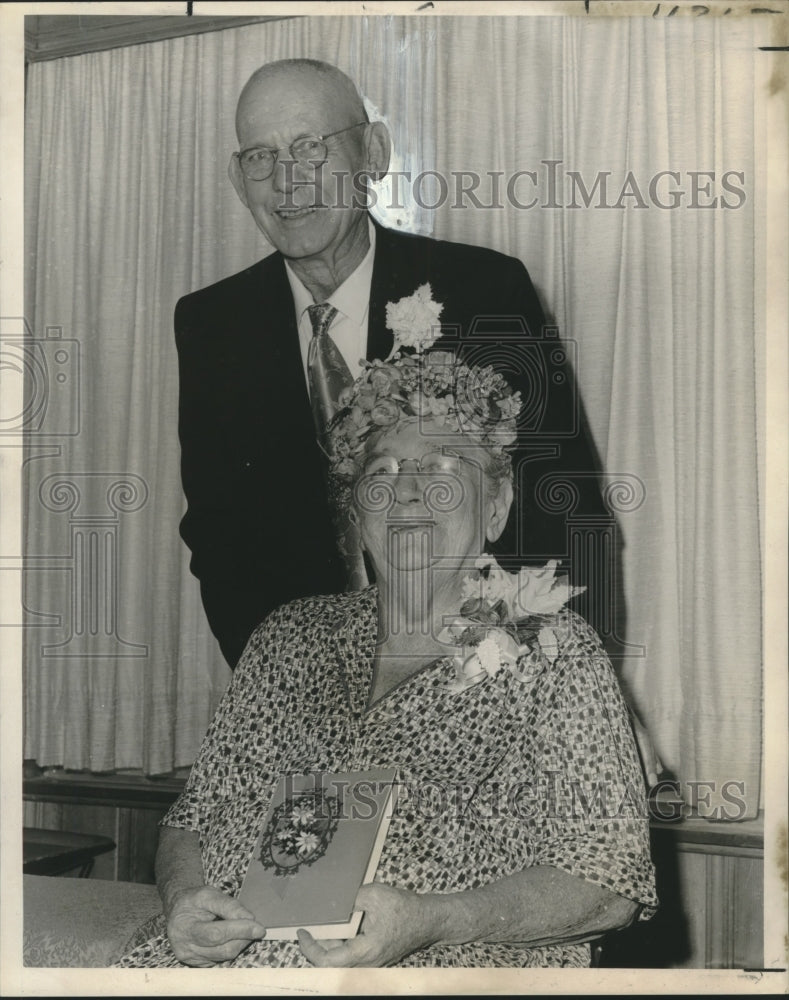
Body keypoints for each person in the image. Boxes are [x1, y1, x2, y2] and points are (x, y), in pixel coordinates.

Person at [119, 330, 656, 969]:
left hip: (440, 968)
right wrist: (183, 902)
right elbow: (194, 818)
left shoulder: (552, 651)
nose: (405, 493)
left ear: (496, 509)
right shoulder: (288, 638)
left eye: (442, 471)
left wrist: (434, 922)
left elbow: (610, 884)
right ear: (356, 511)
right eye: (384, 473)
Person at [176, 57, 611, 669]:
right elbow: (218, 537)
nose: (287, 181)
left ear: (373, 152)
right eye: (261, 157)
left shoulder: (484, 291)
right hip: (305, 684)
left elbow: (561, 505)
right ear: (237, 178)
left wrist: (516, 674)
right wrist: (276, 679)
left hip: (484, 669)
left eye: (309, 147)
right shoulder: (212, 323)